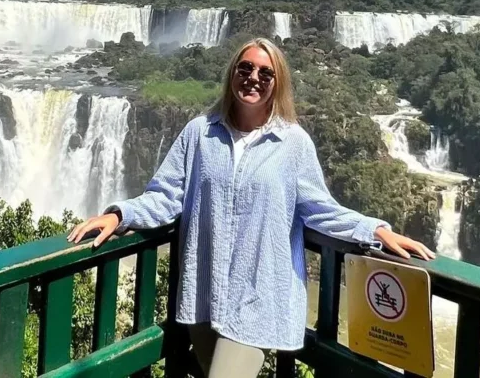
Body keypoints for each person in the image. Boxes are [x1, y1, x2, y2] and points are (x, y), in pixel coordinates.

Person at [68, 37, 435, 378]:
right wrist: (119, 214)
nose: (253, 78)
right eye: (245, 69)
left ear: (278, 82)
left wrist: (375, 230)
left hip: (256, 299)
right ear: (232, 74)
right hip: (205, 295)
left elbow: (320, 209)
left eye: (265, 72)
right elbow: (167, 194)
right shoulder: (200, 133)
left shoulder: (292, 143)